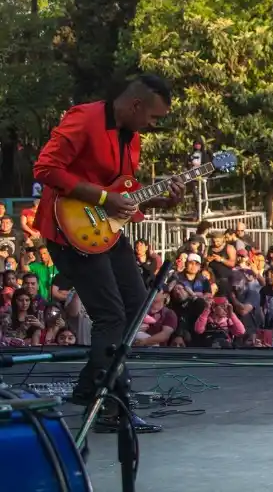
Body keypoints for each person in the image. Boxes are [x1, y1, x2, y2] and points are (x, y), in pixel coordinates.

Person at [32, 74, 185, 434]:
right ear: (135, 105)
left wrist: (162, 198)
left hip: (105, 232)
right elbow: (45, 168)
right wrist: (102, 198)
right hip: (68, 229)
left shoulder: (132, 142)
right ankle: (100, 400)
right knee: (111, 317)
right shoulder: (84, 118)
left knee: (135, 307)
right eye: (153, 117)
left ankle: (102, 399)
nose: (153, 125)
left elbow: (122, 198)